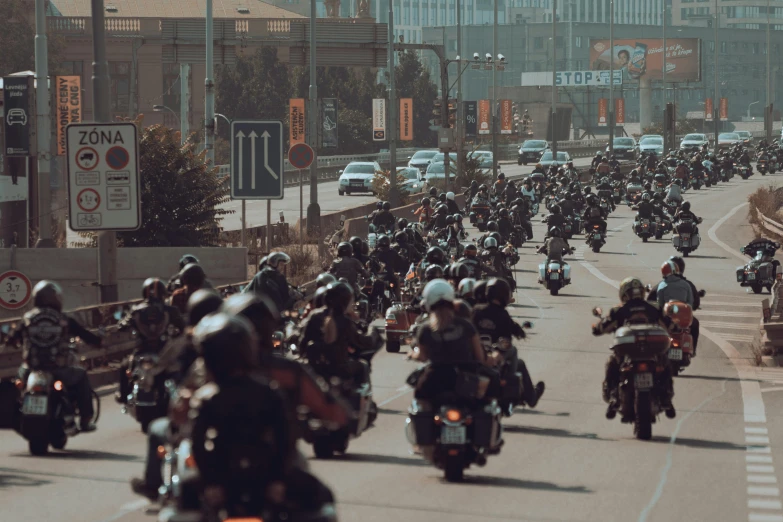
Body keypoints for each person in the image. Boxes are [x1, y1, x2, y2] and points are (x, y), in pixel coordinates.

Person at [189, 313, 291, 516]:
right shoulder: (270, 392)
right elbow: (285, 439)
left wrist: (210, 482)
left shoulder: (206, 397)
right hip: (264, 476)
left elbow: (197, 443)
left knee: (181, 496)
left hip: (224, 478)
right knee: (320, 496)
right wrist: (277, 480)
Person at [130, 289, 224, 500]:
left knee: (157, 429)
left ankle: (153, 485)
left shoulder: (185, 342)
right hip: (233, 418)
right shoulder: (239, 337)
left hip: (196, 416)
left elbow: (160, 368)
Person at [9, 281, 102, 433]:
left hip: (30, 368)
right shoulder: (63, 319)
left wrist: (11, 340)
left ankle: (13, 414)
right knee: (81, 376)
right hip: (58, 369)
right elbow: (85, 334)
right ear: (56, 298)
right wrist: (98, 341)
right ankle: (85, 419)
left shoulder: (27, 318)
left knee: (17, 385)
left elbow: (12, 339)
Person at [592, 277, 675, 420]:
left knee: (612, 363)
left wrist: (596, 327)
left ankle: (613, 397)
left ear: (624, 294)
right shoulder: (654, 307)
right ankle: (666, 397)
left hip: (628, 352)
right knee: (665, 363)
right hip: (651, 350)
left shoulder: (619, 310)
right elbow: (670, 325)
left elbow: (603, 327)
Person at [472, 279, 545, 408]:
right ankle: (519, 390)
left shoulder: (476, 311)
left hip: (476, 354)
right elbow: (508, 338)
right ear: (504, 295)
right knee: (515, 355)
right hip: (493, 355)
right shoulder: (502, 314)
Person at [116, 278, 185, 404]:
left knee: (125, 366)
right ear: (163, 293)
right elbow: (182, 327)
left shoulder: (136, 310)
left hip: (141, 351)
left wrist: (126, 326)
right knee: (178, 369)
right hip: (164, 351)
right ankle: (181, 397)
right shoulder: (170, 310)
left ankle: (123, 395)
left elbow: (121, 325)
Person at [298, 282, 382, 384]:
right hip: (339, 369)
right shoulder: (344, 320)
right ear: (344, 301)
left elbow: (302, 342)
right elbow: (363, 341)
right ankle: (361, 398)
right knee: (363, 365)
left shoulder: (314, 315)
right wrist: (373, 330)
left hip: (316, 368)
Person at [648, 256, 701, 353]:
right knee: (695, 324)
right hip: (684, 320)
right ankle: (693, 351)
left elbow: (659, 304)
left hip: (666, 320)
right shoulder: (687, 284)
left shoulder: (661, 286)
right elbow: (692, 302)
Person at [370, 235, 406, 300]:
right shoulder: (392, 252)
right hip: (384, 277)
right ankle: (398, 300)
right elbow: (400, 263)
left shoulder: (374, 253)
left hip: (381, 278)